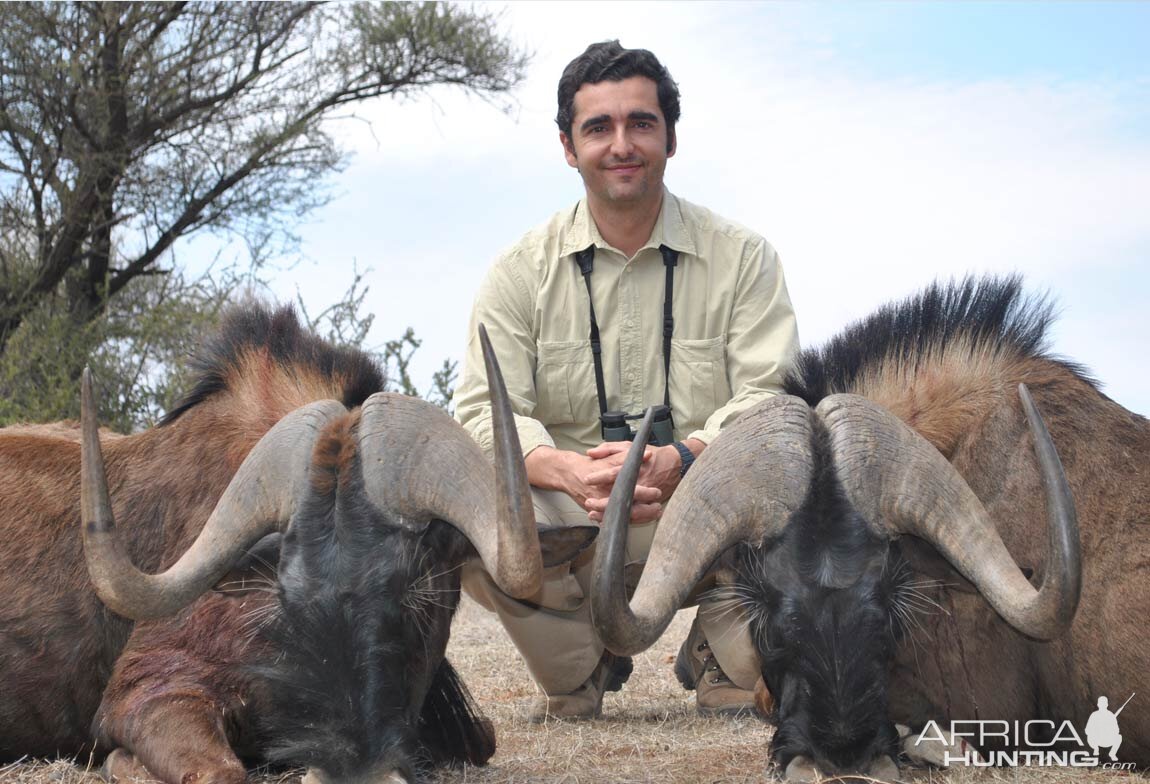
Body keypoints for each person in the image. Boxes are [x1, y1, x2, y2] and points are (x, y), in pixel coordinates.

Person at [454, 40, 800, 722]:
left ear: (670, 137)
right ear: (567, 145)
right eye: (598, 127)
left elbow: (774, 394)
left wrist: (686, 459)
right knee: (473, 531)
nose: (622, 144)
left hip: (703, 506)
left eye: (642, 123)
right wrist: (562, 469)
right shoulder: (517, 272)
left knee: (806, 486)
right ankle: (582, 665)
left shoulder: (746, 257)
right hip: (573, 516)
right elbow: (477, 414)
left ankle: (720, 655)